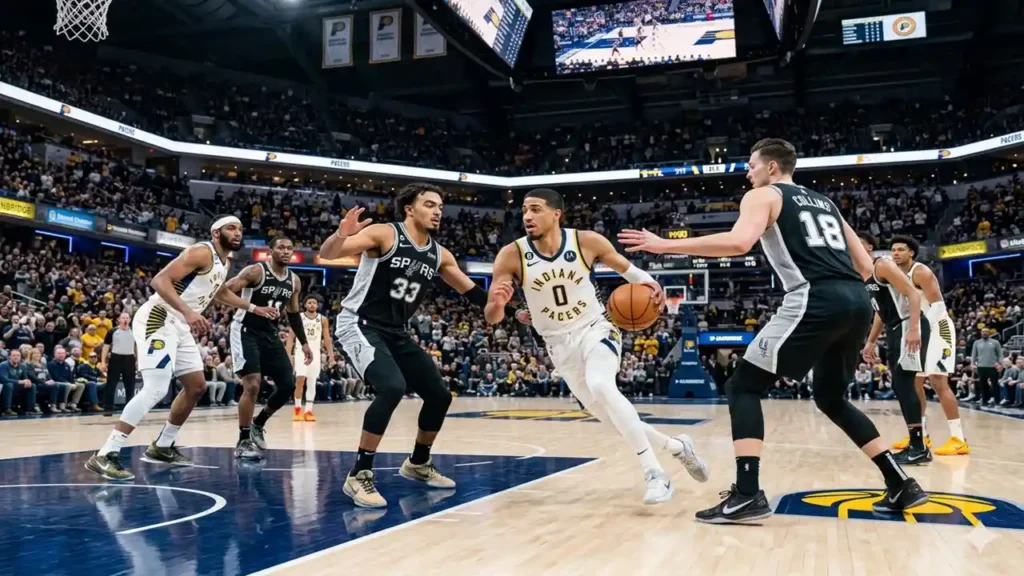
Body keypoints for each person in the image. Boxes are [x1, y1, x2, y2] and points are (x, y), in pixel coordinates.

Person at [619, 138, 928, 523]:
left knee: (742, 386)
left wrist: (663, 245)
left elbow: (738, 243)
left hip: (813, 296)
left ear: (770, 167)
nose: (747, 173)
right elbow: (867, 266)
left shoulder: (764, 195)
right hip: (856, 300)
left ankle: (748, 493)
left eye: (750, 165)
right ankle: (901, 484)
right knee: (831, 399)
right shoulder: (828, 204)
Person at [485, 188, 709, 505]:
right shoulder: (511, 254)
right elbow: (492, 316)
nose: (528, 216)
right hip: (558, 346)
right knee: (613, 419)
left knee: (601, 384)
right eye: (524, 210)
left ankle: (655, 472)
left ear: (555, 214)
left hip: (595, 328)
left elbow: (629, 271)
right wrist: (497, 304)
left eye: (535, 209)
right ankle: (677, 447)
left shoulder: (585, 241)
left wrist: (652, 285)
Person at [318, 182, 525, 508]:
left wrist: (512, 310)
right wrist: (341, 235)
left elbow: (473, 294)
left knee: (440, 395)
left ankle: (417, 463)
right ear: (410, 209)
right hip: (360, 323)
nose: (438, 211)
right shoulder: (385, 234)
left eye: (440, 206)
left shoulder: (439, 254)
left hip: (396, 331)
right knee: (391, 387)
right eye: (430, 204)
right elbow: (328, 254)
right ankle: (359, 474)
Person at [86, 215, 263, 481]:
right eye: (231, 228)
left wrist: (252, 307)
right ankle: (106, 453)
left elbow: (219, 294)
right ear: (216, 232)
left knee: (196, 386)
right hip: (159, 315)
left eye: (240, 228)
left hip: (179, 323)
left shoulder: (224, 263)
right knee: (156, 387)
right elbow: (159, 281)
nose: (237, 232)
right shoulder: (202, 251)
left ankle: (163, 446)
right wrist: (189, 312)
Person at [221, 236, 309, 460]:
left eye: (290, 247)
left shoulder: (294, 281)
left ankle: (258, 424)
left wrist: (304, 342)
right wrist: (253, 307)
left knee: (289, 385)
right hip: (245, 330)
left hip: (269, 334)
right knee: (252, 385)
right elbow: (224, 292)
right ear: (270, 252)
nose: (286, 251)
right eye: (281, 247)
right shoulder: (255, 272)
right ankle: (242, 441)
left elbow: (293, 313)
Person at [888, 236, 969, 456]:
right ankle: (921, 434)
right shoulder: (896, 275)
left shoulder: (920, 272)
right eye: (893, 250)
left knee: (938, 382)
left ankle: (958, 438)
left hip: (937, 327)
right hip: (920, 329)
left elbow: (938, 306)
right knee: (915, 381)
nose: (896, 253)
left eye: (901, 250)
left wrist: (918, 330)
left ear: (911, 253)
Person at [857, 233, 931, 465]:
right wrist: (870, 341)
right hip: (894, 328)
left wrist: (914, 329)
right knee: (901, 384)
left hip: (908, 325)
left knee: (904, 383)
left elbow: (913, 294)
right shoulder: (863, 275)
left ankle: (919, 446)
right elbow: (881, 312)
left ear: (869, 247)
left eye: (858, 243)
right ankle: (916, 444)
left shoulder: (882, 265)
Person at [287, 296, 336, 422]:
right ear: (305, 305)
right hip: (300, 351)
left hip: (315, 352)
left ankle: (308, 410)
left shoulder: (323, 319)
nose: (312, 305)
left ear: (317, 305)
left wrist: (331, 355)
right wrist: (288, 353)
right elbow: (291, 337)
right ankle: (297, 409)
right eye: (309, 302)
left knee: (312, 381)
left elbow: (327, 338)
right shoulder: (299, 318)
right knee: (300, 379)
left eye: (314, 303)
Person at [100, 312, 137, 416]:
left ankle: (129, 410)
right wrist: (103, 362)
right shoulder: (112, 331)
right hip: (116, 358)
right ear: (119, 320)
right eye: (123, 318)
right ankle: (108, 409)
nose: (125, 319)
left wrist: (138, 359)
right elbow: (106, 347)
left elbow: (136, 347)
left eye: (127, 318)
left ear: (130, 320)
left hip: (129, 358)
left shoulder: (134, 332)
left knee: (130, 385)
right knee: (111, 384)